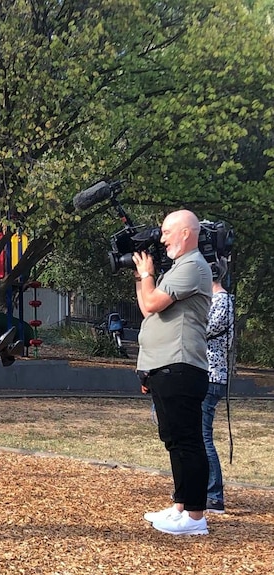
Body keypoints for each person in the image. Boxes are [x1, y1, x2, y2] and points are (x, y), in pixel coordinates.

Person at [133, 209, 212, 536]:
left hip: (181, 366)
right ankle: (181, 507)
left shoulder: (193, 266)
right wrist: (141, 276)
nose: (162, 238)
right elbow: (146, 305)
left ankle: (195, 518)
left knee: (187, 441)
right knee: (175, 440)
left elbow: (151, 304)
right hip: (164, 367)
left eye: (167, 232)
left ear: (185, 233)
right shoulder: (179, 268)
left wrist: (148, 274)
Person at [203, 257, 234, 514]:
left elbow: (204, 329)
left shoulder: (221, 300)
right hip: (204, 374)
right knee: (197, 435)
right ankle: (202, 489)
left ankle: (214, 494)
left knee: (203, 436)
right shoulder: (212, 300)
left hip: (212, 375)